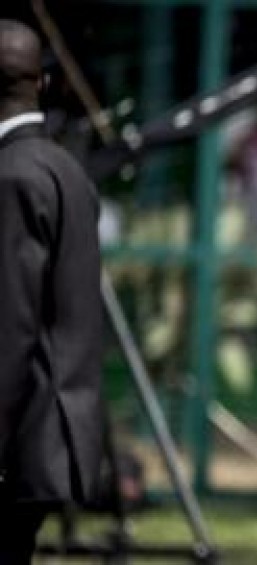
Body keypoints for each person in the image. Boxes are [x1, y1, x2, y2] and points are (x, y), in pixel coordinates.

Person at [0, 20, 103, 563]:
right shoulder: (65, 168)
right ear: (40, 83)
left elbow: (9, 328)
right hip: (54, 427)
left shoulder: (10, 175)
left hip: (17, 437)